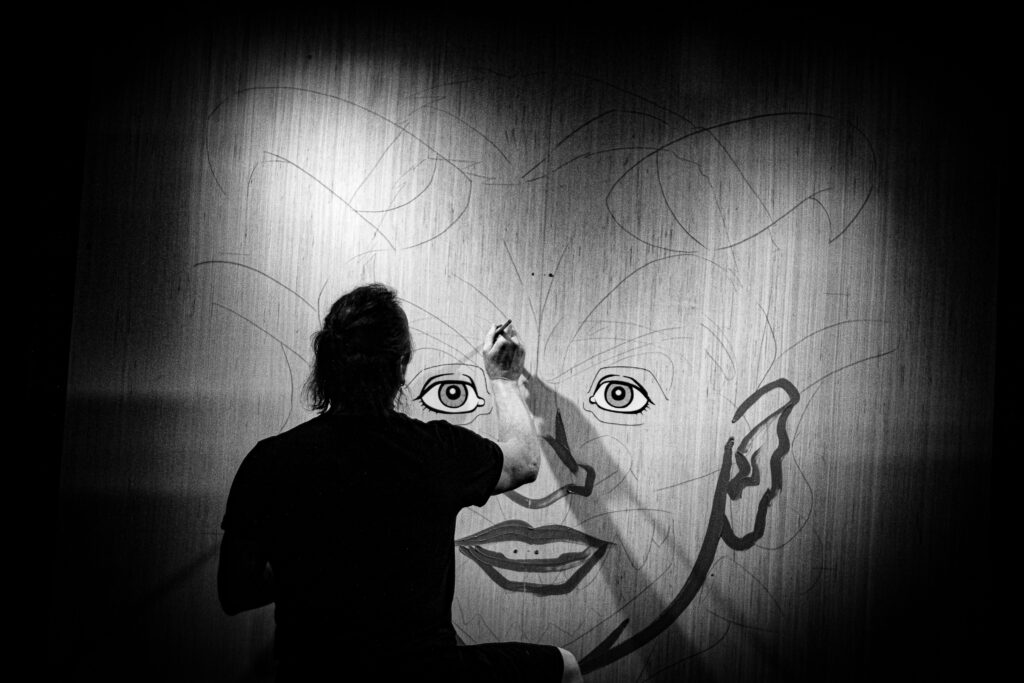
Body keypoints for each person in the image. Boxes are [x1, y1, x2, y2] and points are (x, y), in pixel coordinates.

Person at [218, 283, 584, 682]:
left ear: (326, 364)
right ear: (399, 367)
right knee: (564, 666)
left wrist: (315, 569)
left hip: (310, 673)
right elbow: (525, 461)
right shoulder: (435, 450)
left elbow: (236, 591)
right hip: (422, 673)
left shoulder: (269, 460)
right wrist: (504, 378)